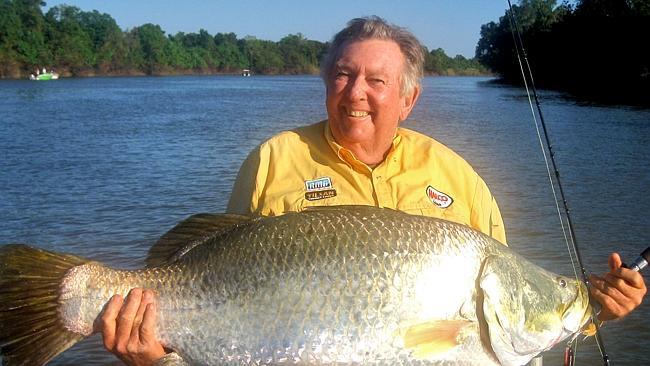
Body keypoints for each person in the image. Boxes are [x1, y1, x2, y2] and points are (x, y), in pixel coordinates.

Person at [96, 16, 646, 365]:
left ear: (408, 99)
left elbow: (516, 320)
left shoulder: (460, 178)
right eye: (341, 74)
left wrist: (593, 309)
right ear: (325, 82)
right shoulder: (273, 159)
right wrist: (156, 359)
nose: (356, 92)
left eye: (377, 81)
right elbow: (218, 294)